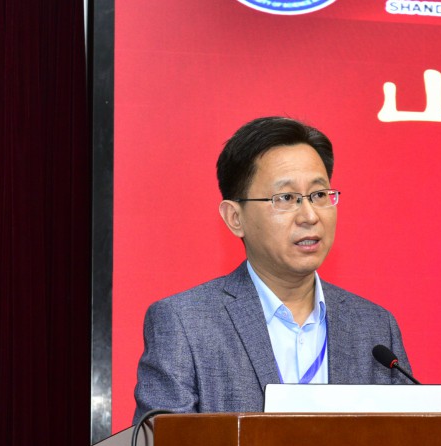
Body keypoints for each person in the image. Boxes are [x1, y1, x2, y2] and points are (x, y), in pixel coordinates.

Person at [133, 116, 413, 422]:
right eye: (286, 198)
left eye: (319, 195)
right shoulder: (186, 324)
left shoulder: (374, 327)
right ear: (235, 218)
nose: (309, 216)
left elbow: (406, 443)